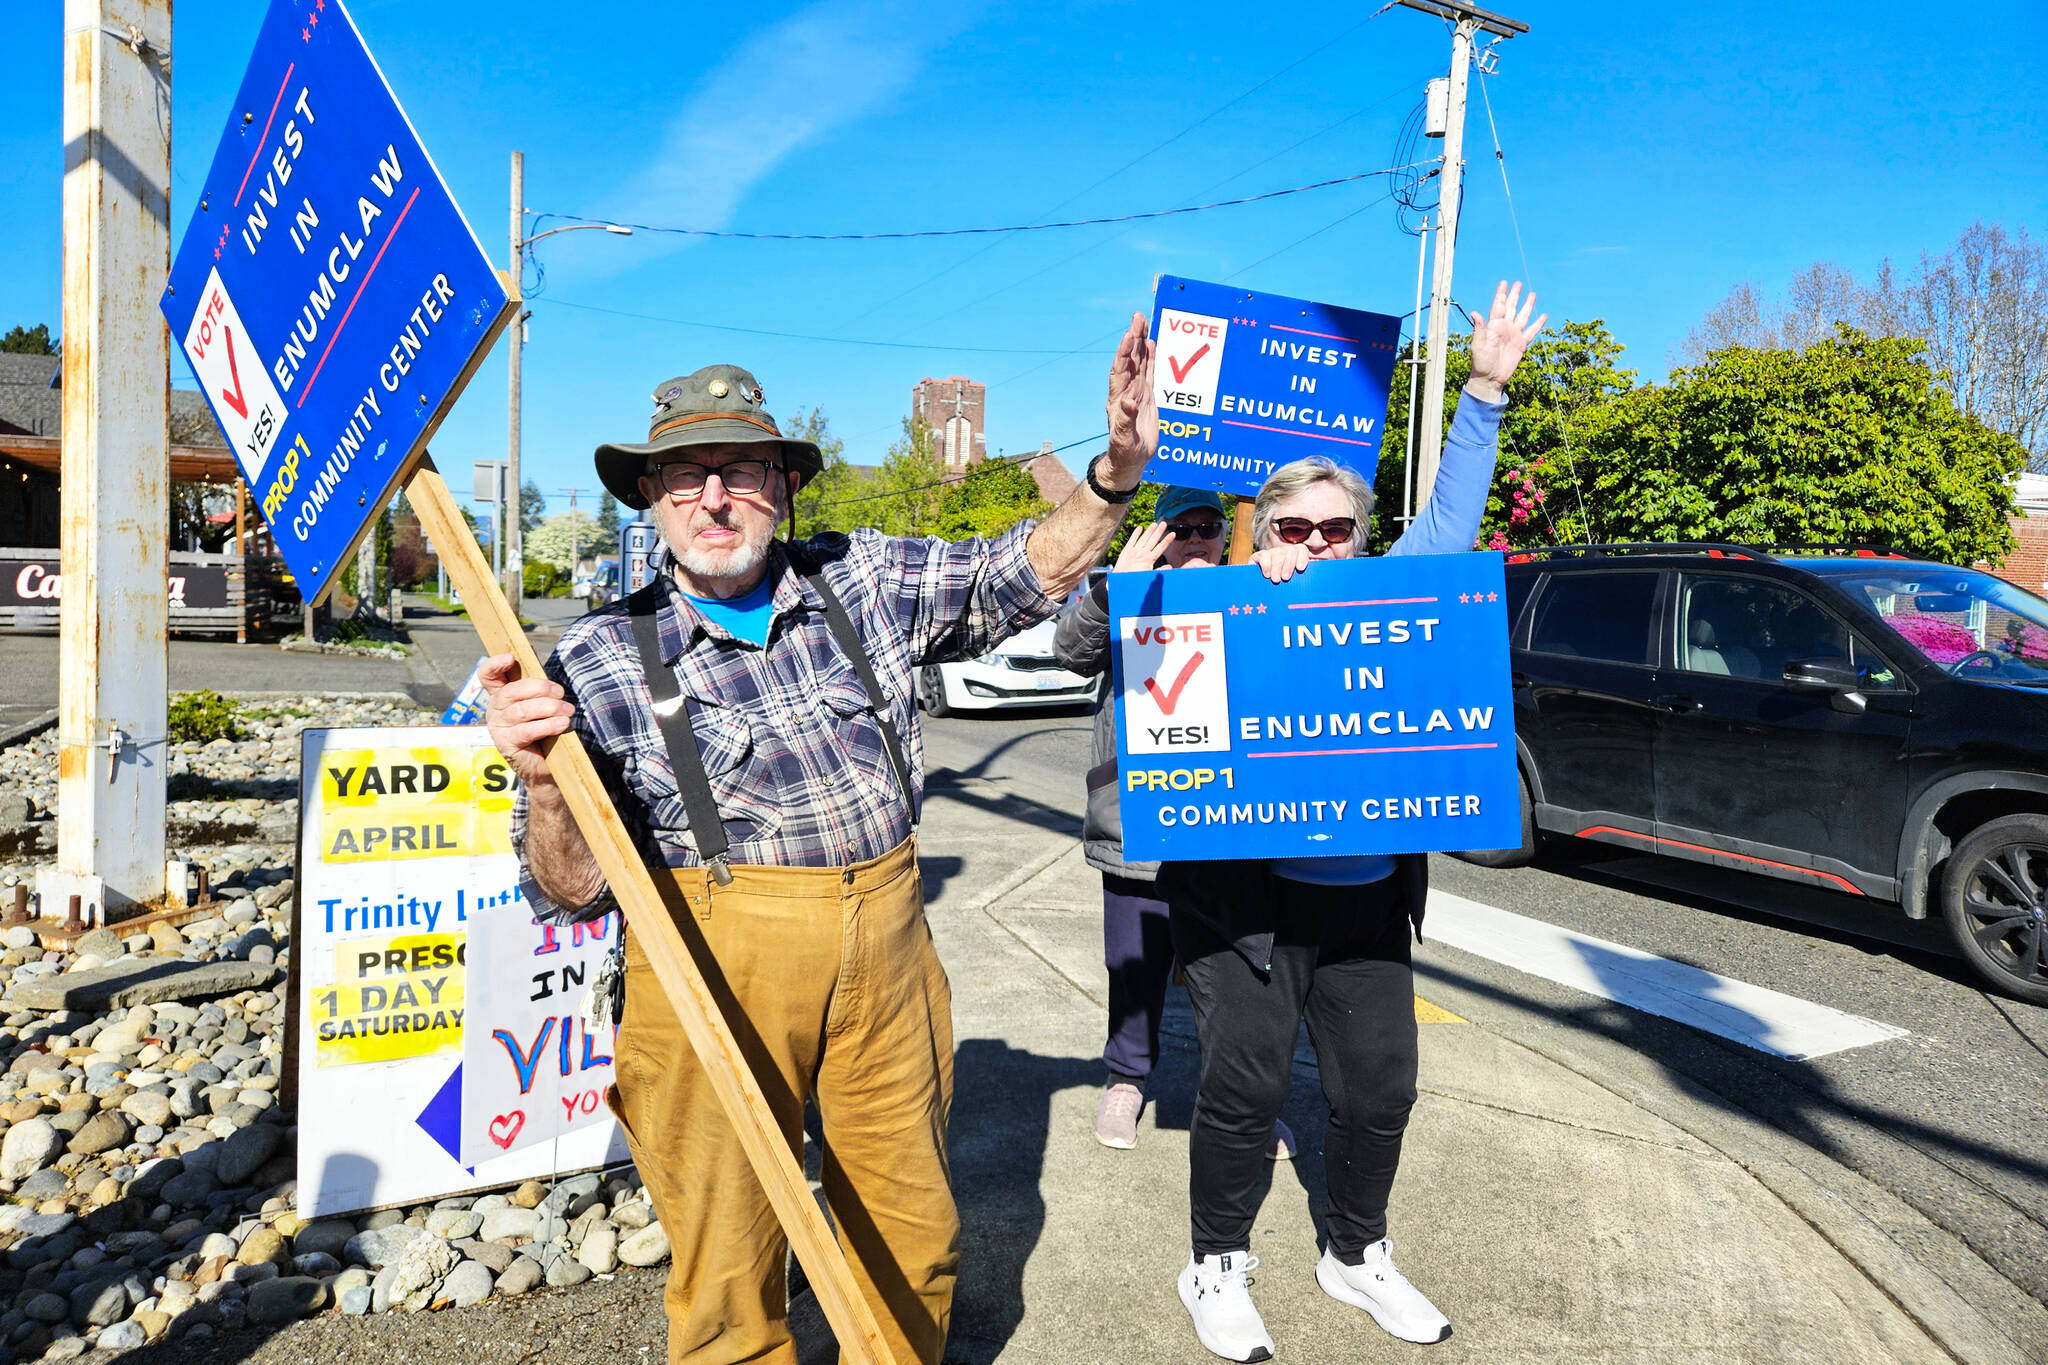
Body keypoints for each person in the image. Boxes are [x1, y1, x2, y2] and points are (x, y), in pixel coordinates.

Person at [479, 320, 1162, 1365]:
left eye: (740, 471)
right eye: (684, 476)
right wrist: (542, 783)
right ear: (652, 501)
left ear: (782, 487)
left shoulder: (863, 579)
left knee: (912, 1240)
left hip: (888, 954)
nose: (713, 498)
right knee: (726, 1273)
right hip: (707, 969)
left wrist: (1116, 471)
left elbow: (1022, 571)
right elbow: (569, 893)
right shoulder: (597, 656)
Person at [1169, 281, 1545, 1362]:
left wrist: (1478, 391)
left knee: (1379, 1090)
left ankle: (1354, 1252)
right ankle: (1216, 1264)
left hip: (1368, 904)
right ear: (1264, 527)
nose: (1319, 543)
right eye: (1296, 527)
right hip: (1248, 908)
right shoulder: (1229, 598)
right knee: (1241, 1089)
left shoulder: (1394, 593)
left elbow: (1449, 521)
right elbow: (1143, 654)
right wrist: (1249, 584)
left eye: (1338, 528)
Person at [1052, 487, 1294, 1162]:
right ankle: (1127, 1080)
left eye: (1205, 527)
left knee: (1241, 974)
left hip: (1228, 829)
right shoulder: (1124, 587)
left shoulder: (1255, 589)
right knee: (1133, 969)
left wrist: (1283, 571)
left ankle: (1244, 1104)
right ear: (1155, 534)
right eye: (1177, 527)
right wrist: (1112, 591)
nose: (1192, 538)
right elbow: (1068, 651)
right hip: (1136, 827)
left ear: (1224, 533)